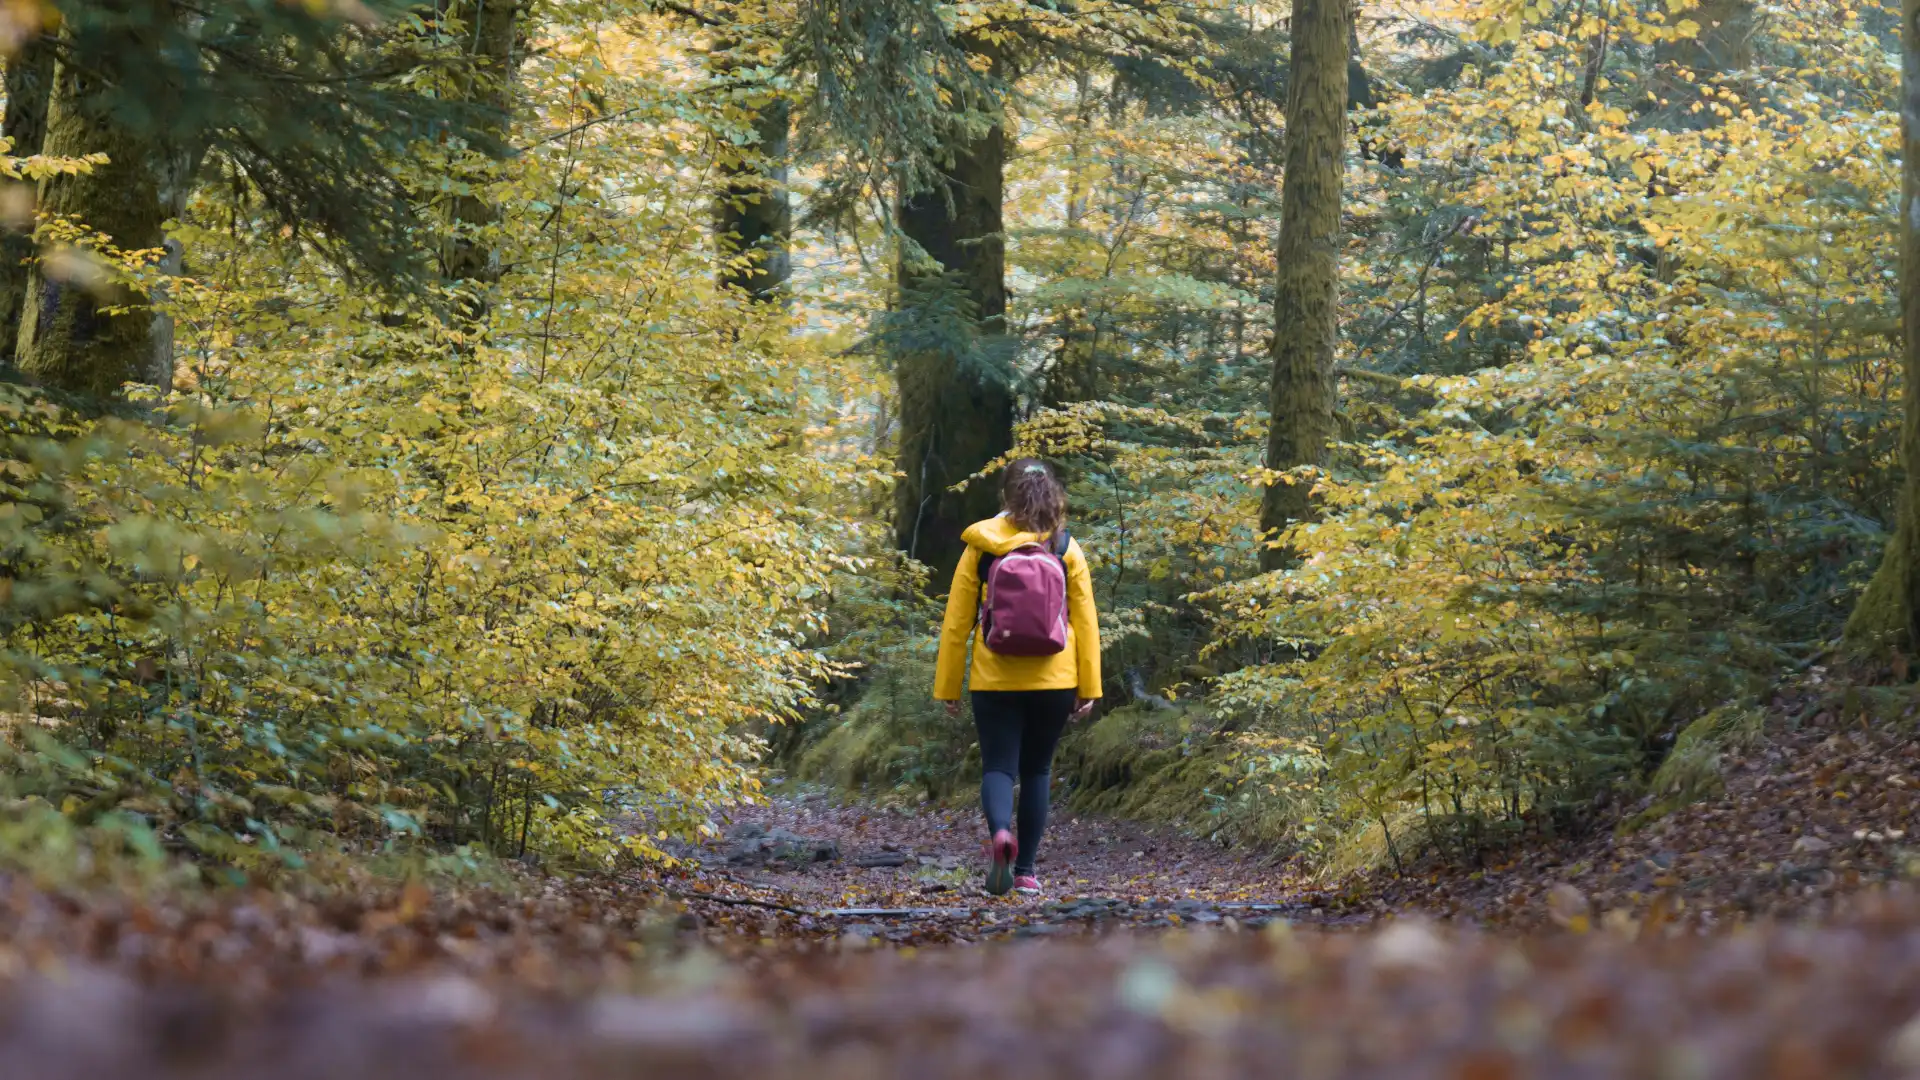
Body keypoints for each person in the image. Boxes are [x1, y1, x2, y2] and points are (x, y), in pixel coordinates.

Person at [933, 458, 1101, 897]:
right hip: (1055, 678)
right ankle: (1025, 870)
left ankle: (1000, 836)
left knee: (1000, 767)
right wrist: (1089, 688)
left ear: (1005, 496)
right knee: (1039, 770)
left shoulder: (982, 545)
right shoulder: (1065, 546)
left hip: (995, 678)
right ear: (1054, 496)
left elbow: (957, 623)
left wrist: (948, 686)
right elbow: (1085, 623)